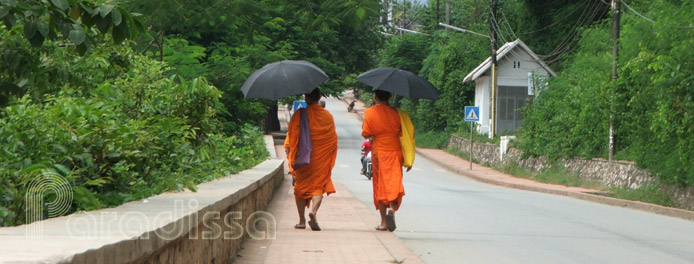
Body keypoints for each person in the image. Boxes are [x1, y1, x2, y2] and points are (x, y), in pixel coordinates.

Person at [284, 88, 338, 231]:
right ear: (319, 97)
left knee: (300, 188)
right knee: (318, 186)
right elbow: (332, 139)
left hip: (303, 157)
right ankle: (313, 211)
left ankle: (301, 221)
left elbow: (292, 135)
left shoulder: (299, 115)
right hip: (320, 158)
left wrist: (291, 153)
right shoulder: (327, 116)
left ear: (306, 97)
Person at [361, 90, 412, 232]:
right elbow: (406, 135)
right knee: (394, 181)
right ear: (390, 96)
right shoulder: (398, 114)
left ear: (376, 97)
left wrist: (374, 135)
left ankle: (383, 223)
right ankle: (392, 209)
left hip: (379, 153)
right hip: (395, 152)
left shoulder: (370, 113)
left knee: (380, 185)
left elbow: (366, 132)